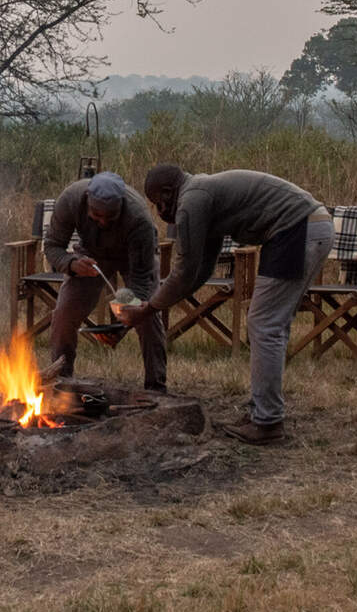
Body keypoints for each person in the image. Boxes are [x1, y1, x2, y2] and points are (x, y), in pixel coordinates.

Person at [119, 164, 331, 444]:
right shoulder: (200, 196)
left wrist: (148, 308)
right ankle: (263, 412)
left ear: (168, 193)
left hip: (297, 228)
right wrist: (156, 303)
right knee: (269, 325)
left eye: (157, 202)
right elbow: (200, 271)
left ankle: (267, 423)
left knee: (264, 325)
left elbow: (182, 272)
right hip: (302, 227)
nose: (159, 212)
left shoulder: (191, 202)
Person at [39, 170, 166, 391]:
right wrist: (71, 264)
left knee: (147, 314)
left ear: (122, 205)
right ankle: (61, 382)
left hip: (133, 259)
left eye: (111, 216)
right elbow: (52, 245)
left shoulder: (139, 219)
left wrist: (123, 321)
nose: (103, 222)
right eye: (96, 216)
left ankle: (156, 386)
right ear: (87, 199)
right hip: (91, 259)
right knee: (64, 312)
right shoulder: (70, 200)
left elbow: (140, 282)